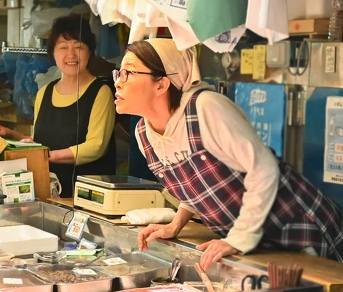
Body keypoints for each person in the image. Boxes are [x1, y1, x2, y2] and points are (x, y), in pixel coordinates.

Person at [115, 38, 343, 270]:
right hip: (259, 245)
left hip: (301, 227)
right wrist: (176, 224)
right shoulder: (145, 134)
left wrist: (238, 239)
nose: (118, 83)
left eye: (128, 73)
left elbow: (263, 169)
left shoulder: (206, 108)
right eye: (118, 73)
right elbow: (196, 183)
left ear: (162, 84)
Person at [0, 14, 116, 198]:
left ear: (90, 52)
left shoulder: (101, 92)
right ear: (52, 52)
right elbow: (41, 142)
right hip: (48, 190)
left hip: (87, 196)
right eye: (63, 47)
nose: (71, 55)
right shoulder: (44, 92)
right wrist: (13, 136)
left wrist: (49, 156)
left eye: (79, 47)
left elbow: (96, 146)